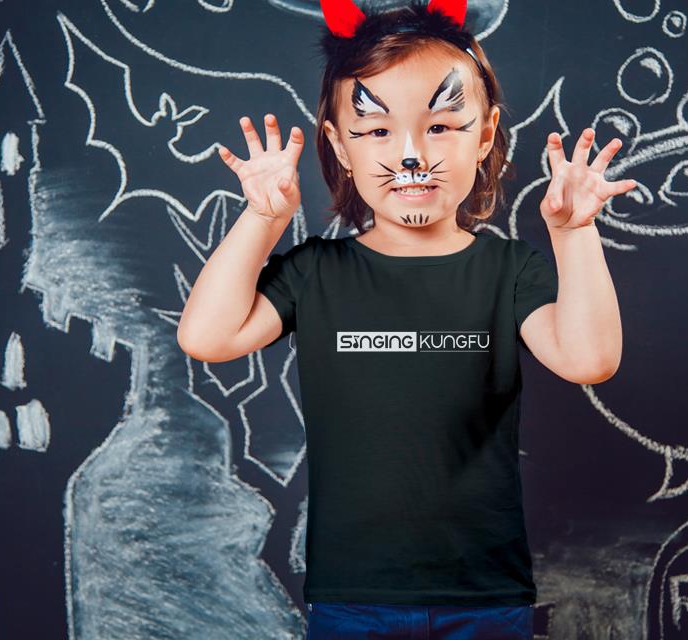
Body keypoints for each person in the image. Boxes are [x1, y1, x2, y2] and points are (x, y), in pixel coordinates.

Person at [178, 0, 634, 637]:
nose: (412, 155)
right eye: (377, 131)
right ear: (339, 145)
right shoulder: (316, 272)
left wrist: (574, 232)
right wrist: (263, 219)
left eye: (441, 126)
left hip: (484, 593)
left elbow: (591, 360)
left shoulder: (509, 270)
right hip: (353, 594)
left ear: (484, 136)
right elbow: (206, 337)